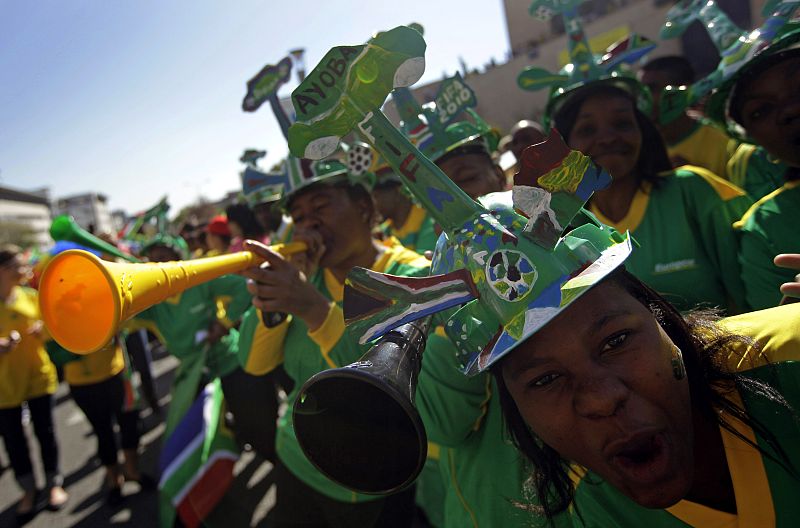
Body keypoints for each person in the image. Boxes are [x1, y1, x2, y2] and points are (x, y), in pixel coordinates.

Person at [239, 157, 432, 527]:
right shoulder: (304, 280)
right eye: (297, 215)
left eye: (321, 206)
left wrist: (313, 310)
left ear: (363, 206)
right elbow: (254, 364)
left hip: (364, 485)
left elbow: (381, 392)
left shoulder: (411, 277)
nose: (308, 223)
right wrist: (274, 302)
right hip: (295, 460)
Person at [551, 80, 752, 313]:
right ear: (566, 145)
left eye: (622, 123)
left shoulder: (694, 190)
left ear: (643, 131)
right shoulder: (563, 229)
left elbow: (756, 303)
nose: (607, 138)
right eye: (587, 130)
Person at [701, 21, 800, 310]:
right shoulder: (765, 232)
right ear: (754, 141)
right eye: (761, 110)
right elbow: (780, 348)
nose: (790, 110)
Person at [0, 245, 68, 521]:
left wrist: (45, 329)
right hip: (4, 387)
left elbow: (55, 327)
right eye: (19, 265)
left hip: (40, 377)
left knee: (46, 433)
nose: (26, 269)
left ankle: (54, 484)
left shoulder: (31, 296)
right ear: (3, 270)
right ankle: (28, 490)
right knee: (14, 442)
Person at [638, 56, 735, 175]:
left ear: (684, 90)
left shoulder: (725, 141)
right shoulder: (638, 148)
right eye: (641, 91)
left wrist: (697, 179)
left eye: (652, 89)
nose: (643, 99)